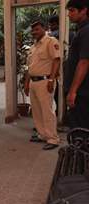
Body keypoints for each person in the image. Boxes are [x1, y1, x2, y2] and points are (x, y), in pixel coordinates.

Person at [24, 21, 60, 150]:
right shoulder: (33, 47)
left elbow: (56, 60)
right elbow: (29, 67)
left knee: (47, 110)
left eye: (37, 29)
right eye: (33, 30)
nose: (35, 32)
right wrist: (27, 83)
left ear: (44, 29)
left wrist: (51, 80)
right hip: (34, 82)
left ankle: (53, 139)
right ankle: (42, 135)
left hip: (45, 81)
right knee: (37, 110)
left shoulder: (51, 41)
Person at [65, 0, 89, 129]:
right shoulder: (80, 30)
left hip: (82, 92)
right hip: (81, 90)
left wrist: (73, 91)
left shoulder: (86, 31)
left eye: (72, 10)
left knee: (80, 129)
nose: (69, 14)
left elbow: (84, 62)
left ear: (84, 10)